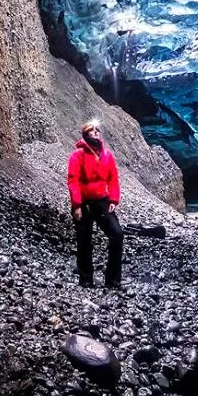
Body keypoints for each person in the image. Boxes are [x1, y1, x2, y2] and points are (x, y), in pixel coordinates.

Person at [67, 118, 123, 289]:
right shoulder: (77, 155)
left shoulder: (107, 155)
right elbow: (73, 180)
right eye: (91, 131)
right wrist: (77, 205)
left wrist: (113, 199)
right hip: (83, 203)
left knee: (117, 235)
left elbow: (113, 179)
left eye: (97, 130)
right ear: (85, 135)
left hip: (102, 201)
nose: (95, 133)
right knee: (84, 241)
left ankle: (112, 280)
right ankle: (86, 279)